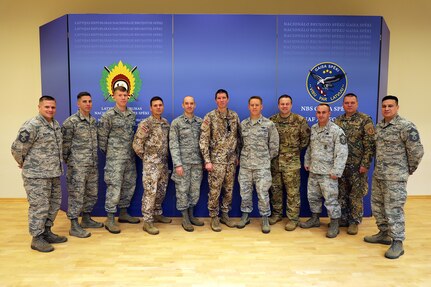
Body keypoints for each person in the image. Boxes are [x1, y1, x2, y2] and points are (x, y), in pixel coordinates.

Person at [364, 95, 424, 259]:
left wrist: (406, 170)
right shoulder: (380, 127)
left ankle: (397, 241)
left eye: (390, 106)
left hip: (395, 178)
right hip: (379, 175)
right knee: (377, 205)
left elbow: (417, 152)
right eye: (384, 106)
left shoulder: (405, 126)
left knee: (394, 210)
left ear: (397, 107)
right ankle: (384, 233)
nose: (387, 109)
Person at [11, 96, 67, 252]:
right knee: (39, 206)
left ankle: (46, 232)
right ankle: (37, 238)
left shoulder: (55, 124)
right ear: (39, 107)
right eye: (47, 107)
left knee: (54, 203)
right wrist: (24, 163)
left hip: (53, 173)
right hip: (36, 176)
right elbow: (17, 149)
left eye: (53, 107)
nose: (50, 110)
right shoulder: (32, 126)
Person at [300, 104, 348, 238]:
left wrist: (337, 171)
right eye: (318, 112)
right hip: (314, 170)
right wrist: (307, 161)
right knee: (313, 197)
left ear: (329, 113)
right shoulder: (314, 128)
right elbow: (310, 148)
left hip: (328, 173)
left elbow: (342, 152)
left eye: (323, 112)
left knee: (331, 200)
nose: (321, 115)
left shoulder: (336, 131)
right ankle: (315, 219)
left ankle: (334, 224)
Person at [98, 86, 140, 234]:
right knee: (114, 187)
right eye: (120, 95)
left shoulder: (131, 115)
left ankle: (123, 213)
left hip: (129, 157)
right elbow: (102, 139)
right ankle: (110, 218)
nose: (123, 97)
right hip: (115, 158)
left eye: (125, 95)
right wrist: (112, 153)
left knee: (129, 185)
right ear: (114, 97)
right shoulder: (108, 116)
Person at [62, 92, 103, 238]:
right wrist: (72, 163)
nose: (88, 104)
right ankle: (74, 225)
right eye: (84, 101)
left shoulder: (93, 121)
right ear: (78, 104)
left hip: (92, 165)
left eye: (90, 101)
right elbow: (64, 147)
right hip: (77, 167)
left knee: (91, 193)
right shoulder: (70, 122)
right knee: (76, 195)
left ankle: (86, 219)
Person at [236, 96, 279, 233]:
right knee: (245, 192)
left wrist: (264, 158)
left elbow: (274, 146)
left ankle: (265, 218)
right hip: (245, 166)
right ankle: (245, 216)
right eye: (252, 105)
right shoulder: (243, 124)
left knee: (263, 193)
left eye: (257, 105)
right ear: (248, 107)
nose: (254, 107)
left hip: (262, 167)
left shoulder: (269, 124)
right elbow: (239, 144)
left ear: (262, 107)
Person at [334, 93, 375, 235]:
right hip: (341, 165)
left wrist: (365, 164)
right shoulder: (337, 121)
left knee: (356, 195)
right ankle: (343, 219)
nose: (349, 105)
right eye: (346, 103)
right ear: (343, 105)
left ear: (357, 104)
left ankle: (354, 221)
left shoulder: (365, 120)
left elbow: (370, 144)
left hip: (358, 166)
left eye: (352, 102)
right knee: (342, 193)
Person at [199, 89, 240, 232]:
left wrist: (237, 156)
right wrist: (207, 160)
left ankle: (224, 214)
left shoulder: (234, 116)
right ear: (215, 100)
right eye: (219, 98)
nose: (221, 100)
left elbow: (238, 138)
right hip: (215, 162)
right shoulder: (209, 117)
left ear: (228, 99)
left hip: (230, 161)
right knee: (215, 191)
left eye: (224, 98)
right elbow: (203, 141)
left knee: (229, 190)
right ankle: (214, 216)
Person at [269, 94, 310, 231]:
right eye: (282, 104)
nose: (284, 106)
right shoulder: (272, 121)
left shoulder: (300, 120)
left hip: (291, 164)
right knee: (275, 190)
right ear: (278, 105)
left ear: (291, 105)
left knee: (292, 192)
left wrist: (292, 152)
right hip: (275, 163)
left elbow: (305, 140)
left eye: (287, 104)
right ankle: (277, 214)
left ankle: (293, 218)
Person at [133, 96, 171, 235]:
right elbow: (137, 145)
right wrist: (148, 159)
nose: (158, 107)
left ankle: (157, 213)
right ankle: (147, 221)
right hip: (151, 165)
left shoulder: (166, 124)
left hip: (163, 164)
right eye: (155, 105)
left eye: (160, 105)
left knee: (161, 190)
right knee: (150, 192)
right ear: (151, 108)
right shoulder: (146, 124)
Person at [169, 96, 204, 232]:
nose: (189, 106)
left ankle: (191, 215)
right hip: (182, 164)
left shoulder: (200, 122)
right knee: (182, 191)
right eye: (186, 103)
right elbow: (173, 144)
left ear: (195, 105)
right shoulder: (176, 123)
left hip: (197, 164)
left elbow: (204, 143)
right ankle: (184, 218)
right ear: (182, 105)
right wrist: (177, 164)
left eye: (191, 103)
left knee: (194, 191)